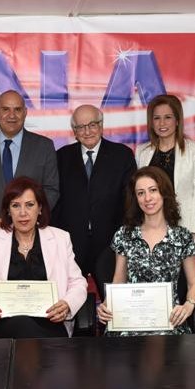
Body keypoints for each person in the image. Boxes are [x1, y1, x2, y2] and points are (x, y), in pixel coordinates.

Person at [0, 177, 87, 339]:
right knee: (22, 325)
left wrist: (67, 304)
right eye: (16, 205)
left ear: (40, 208)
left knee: (26, 329)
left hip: (50, 323)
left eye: (29, 205)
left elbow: (78, 283)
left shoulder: (60, 238)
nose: (23, 213)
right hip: (2, 324)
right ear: (8, 210)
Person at [96, 166, 195, 336]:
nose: (147, 198)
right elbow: (119, 280)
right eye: (141, 193)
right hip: (129, 322)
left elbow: (194, 284)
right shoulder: (124, 234)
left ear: (164, 193)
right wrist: (106, 305)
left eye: (153, 190)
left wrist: (188, 305)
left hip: (169, 322)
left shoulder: (183, 236)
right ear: (135, 198)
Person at [53, 104, 136, 292]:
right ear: (74, 131)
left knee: (114, 299)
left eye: (92, 124)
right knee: (68, 299)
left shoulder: (122, 155)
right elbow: (56, 202)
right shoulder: (61, 157)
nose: (87, 131)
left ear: (101, 125)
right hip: (71, 243)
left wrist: (123, 238)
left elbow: (130, 202)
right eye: (81, 127)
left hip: (111, 243)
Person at [0, 90, 59, 233]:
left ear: (25, 112)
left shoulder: (44, 146)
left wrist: (31, 218)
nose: (12, 115)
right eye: (5, 109)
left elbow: (51, 190)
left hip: (31, 232)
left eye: (17, 109)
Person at [136, 94, 195, 247]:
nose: (162, 123)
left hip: (183, 228)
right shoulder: (142, 152)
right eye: (156, 118)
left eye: (168, 117)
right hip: (150, 231)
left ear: (177, 120)